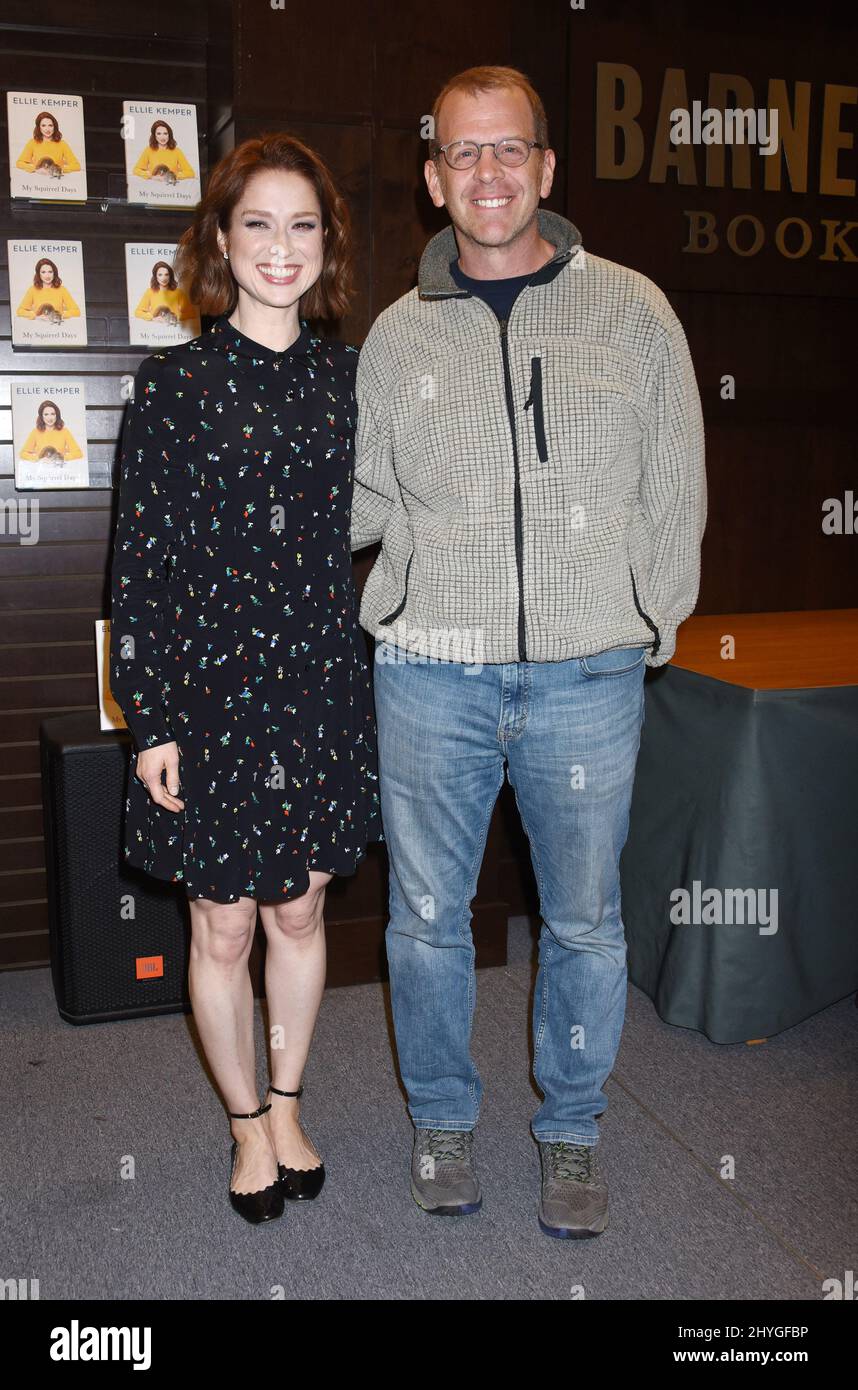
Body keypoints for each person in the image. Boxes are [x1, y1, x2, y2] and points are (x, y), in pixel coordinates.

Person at [351, 66, 706, 1238]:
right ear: (433, 176)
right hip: (428, 674)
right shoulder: (397, 337)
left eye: (510, 152)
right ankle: (444, 1118)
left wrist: (650, 619)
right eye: (464, 153)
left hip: (586, 673)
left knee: (586, 923)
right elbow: (354, 501)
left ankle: (571, 1133)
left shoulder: (634, 309)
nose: (488, 173)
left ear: (546, 171)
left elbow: (676, 486)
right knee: (424, 917)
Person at [109, 132, 382, 1225]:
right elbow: (140, 563)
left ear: (327, 244)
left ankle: (287, 1100)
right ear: (221, 239)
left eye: (302, 224)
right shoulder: (173, 384)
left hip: (318, 685)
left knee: (301, 916)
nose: (282, 246)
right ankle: (243, 1128)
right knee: (221, 925)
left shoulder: (352, 379)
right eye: (257, 223)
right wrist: (153, 719)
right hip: (212, 696)